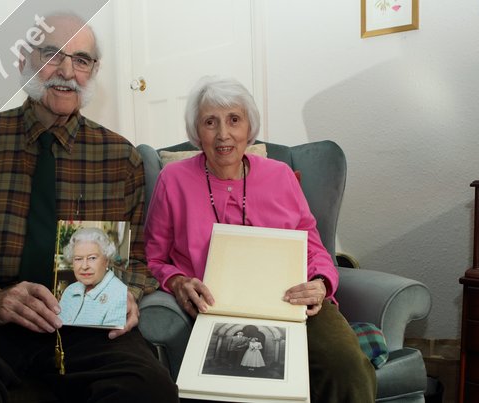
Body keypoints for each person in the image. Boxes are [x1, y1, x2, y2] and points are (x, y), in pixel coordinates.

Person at [0, 13, 177, 402]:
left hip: (83, 324)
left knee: (149, 389)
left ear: (93, 71)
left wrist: (128, 292)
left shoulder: (119, 157)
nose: (66, 71)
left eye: (82, 60)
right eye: (52, 54)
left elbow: (140, 260)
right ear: (23, 60)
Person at [144, 76, 376, 402]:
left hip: (290, 301)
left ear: (249, 128)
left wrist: (322, 282)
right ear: (197, 132)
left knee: (347, 366)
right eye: (210, 122)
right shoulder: (173, 180)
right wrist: (178, 282)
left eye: (234, 120)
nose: (223, 134)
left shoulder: (279, 175)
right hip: (215, 309)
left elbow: (311, 242)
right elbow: (151, 258)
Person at [58, 227, 127, 328]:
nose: (84, 266)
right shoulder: (70, 290)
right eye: (78, 259)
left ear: (106, 260)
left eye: (92, 258)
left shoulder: (120, 295)